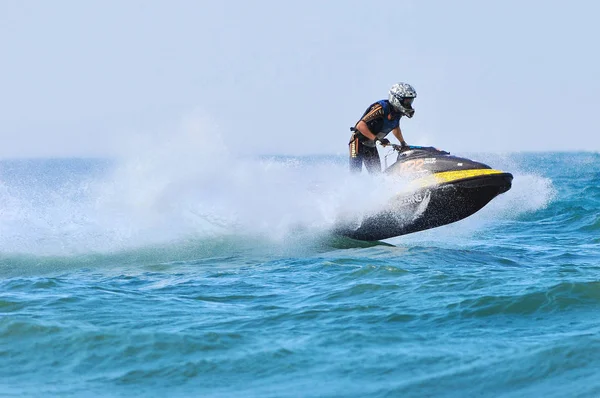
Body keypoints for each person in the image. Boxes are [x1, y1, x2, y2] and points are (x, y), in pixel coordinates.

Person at [349, 82, 417, 174]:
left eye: (410, 101)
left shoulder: (398, 113)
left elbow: (395, 127)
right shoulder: (381, 108)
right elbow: (360, 126)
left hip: (370, 145)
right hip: (357, 142)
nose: (409, 104)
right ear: (396, 99)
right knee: (355, 174)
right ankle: (352, 187)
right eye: (407, 101)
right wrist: (377, 139)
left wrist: (403, 143)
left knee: (376, 175)